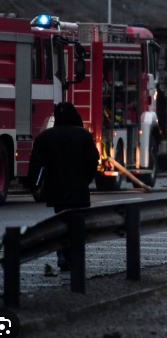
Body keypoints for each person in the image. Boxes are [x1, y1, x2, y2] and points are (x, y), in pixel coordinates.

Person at [28, 102, 99, 271]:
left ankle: (62, 254)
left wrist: (35, 187)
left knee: (61, 223)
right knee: (78, 227)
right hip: (79, 190)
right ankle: (74, 258)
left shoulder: (45, 137)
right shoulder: (84, 136)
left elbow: (36, 165)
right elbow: (92, 162)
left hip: (56, 190)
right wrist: (86, 180)